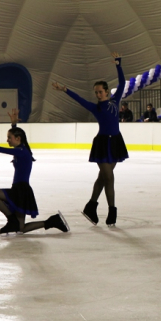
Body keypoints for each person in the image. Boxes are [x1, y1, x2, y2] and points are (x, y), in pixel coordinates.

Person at [52, 52, 128, 227]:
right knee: (109, 177)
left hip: (115, 142)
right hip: (102, 143)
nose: (98, 94)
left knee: (103, 177)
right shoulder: (95, 107)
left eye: (100, 92)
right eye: (96, 92)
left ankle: (91, 207)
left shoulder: (115, 101)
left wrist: (118, 65)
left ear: (107, 91)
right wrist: (65, 90)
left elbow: (123, 83)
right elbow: (79, 100)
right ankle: (112, 211)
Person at [0, 109, 69, 236]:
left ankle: (11, 219)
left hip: (21, 190)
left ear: (18, 138)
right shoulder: (21, 148)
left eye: (9, 138)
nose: (7, 140)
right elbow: (16, 135)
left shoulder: (21, 152)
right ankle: (52, 221)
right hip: (21, 190)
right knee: (21, 228)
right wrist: (13, 125)